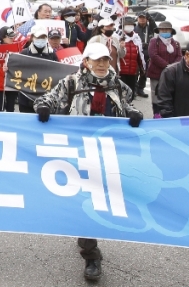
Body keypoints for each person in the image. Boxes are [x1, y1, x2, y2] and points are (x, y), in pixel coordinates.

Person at [34, 42, 142, 282]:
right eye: (97, 60)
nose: (102, 64)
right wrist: (43, 107)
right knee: (84, 200)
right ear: (86, 62)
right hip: (77, 152)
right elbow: (49, 99)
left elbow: (127, 104)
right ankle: (91, 253)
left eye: (105, 60)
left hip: (108, 153)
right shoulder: (71, 82)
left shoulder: (117, 85)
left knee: (100, 200)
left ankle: (87, 238)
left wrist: (134, 114)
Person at [18, 25, 59, 113]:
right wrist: (8, 68)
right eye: (38, 37)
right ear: (32, 37)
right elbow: (16, 71)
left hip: (46, 98)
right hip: (26, 98)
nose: (41, 40)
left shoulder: (52, 54)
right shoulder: (24, 53)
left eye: (43, 37)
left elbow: (58, 72)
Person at [146, 21, 182, 116]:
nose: (164, 31)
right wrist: (167, 66)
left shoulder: (176, 44)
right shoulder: (154, 41)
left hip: (172, 75)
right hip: (156, 74)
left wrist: (172, 68)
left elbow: (179, 56)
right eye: (162, 29)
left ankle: (169, 114)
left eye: (167, 29)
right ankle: (157, 114)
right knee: (156, 95)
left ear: (171, 31)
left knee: (170, 95)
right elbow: (153, 55)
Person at [0, 26, 20, 112]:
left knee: (10, 108)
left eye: (13, 36)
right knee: (0, 107)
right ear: (3, 37)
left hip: (12, 83)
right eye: (10, 37)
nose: (12, 38)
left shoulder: (17, 48)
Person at [118, 16, 146, 99]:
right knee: (121, 93)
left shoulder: (136, 37)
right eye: (127, 24)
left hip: (132, 71)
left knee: (131, 93)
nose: (129, 26)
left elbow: (140, 54)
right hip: (121, 71)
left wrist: (142, 68)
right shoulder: (118, 36)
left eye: (131, 24)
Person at [135, 12, 157, 98]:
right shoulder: (135, 28)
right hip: (138, 52)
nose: (142, 19)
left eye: (143, 18)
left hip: (147, 52)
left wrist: (150, 18)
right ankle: (135, 88)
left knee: (144, 72)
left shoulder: (150, 28)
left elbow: (155, 27)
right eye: (140, 18)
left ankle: (141, 88)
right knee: (136, 72)